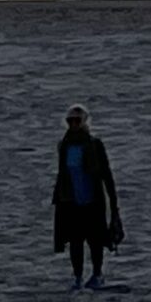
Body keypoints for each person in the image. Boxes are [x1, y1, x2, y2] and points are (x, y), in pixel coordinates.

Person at [52, 104, 124, 291]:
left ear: (84, 122)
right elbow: (62, 176)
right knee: (75, 242)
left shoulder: (95, 145)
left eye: (78, 120)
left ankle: (97, 274)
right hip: (71, 202)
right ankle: (77, 277)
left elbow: (106, 176)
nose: (74, 124)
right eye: (70, 121)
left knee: (95, 241)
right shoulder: (64, 146)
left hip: (93, 202)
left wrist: (114, 206)